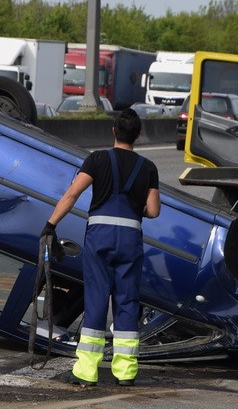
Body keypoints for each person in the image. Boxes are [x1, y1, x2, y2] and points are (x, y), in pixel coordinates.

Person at [41, 109, 160, 387]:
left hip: (100, 237)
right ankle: (126, 372)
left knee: (96, 300)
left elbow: (72, 194)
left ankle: (86, 372)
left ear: (113, 131)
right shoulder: (148, 167)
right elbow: (153, 210)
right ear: (139, 135)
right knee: (127, 302)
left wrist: (50, 225)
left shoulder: (97, 159)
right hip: (130, 239)